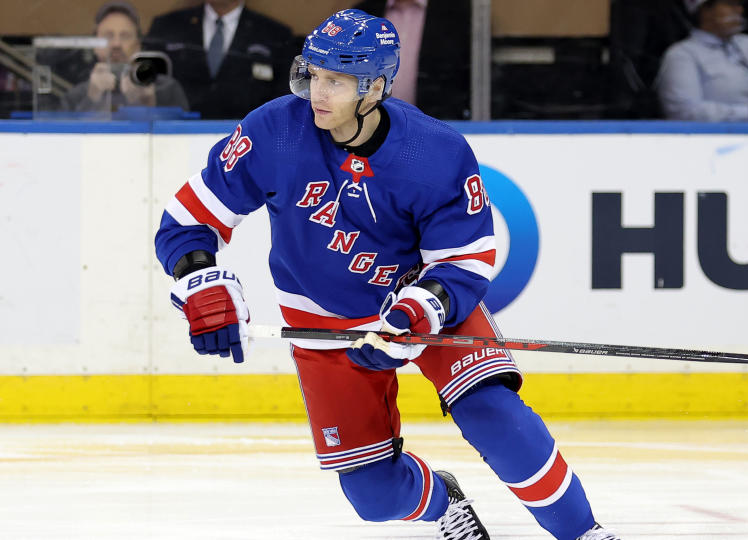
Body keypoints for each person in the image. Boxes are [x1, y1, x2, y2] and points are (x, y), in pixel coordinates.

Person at [154, 9, 618, 540]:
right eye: (313, 75)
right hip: (324, 321)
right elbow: (188, 221)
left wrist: (419, 311)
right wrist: (200, 280)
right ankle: (445, 502)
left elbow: (465, 261)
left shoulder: (434, 152)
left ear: (375, 86)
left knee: (493, 412)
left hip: (424, 303)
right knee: (373, 497)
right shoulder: (274, 132)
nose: (317, 94)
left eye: (336, 81)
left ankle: (583, 532)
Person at [144, 0, 294, 119]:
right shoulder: (166, 27)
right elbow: (143, 88)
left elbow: (282, 102)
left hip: (246, 143)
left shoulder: (276, 35)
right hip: (172, 139)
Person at [655, 0, 748, 121]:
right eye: (731, 4)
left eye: (739, 4)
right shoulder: (683, 55)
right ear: (705, 10)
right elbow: (684, 111)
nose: (740, 10)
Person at [351, 0, 472, 119]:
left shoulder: (458, 12)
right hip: (371, 125)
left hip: (439, 124)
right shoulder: (362, 15)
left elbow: (471, 75)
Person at [62, 1, 188, 113]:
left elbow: (185, 134)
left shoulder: (167, 89)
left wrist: (149, 103)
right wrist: (92, 98)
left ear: (138, 45)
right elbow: (65, 136)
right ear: (95, 45)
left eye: (125, 36)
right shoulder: (75, 96)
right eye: (108, 36)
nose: (116, 44)